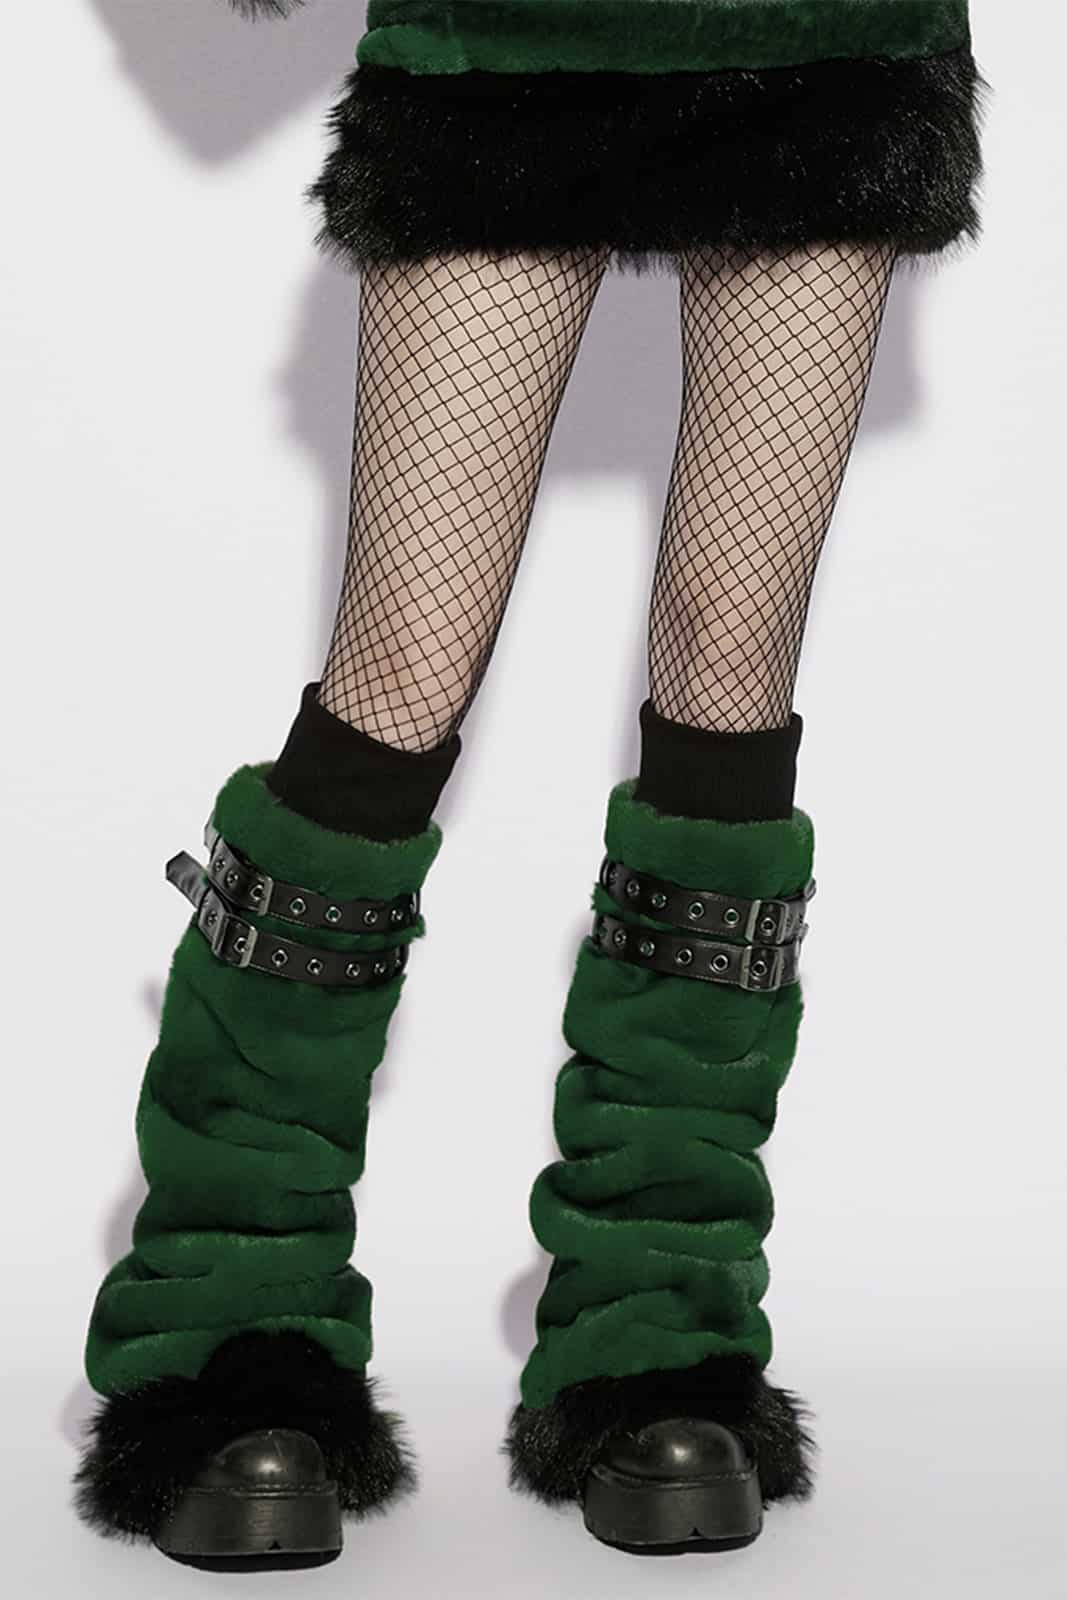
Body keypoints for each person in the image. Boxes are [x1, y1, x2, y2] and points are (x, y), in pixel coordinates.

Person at [76, 0, 984, 1565]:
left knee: (729, 677)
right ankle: (228, 1321)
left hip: (822, 30)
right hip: (506, 37)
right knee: (397, 676)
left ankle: (658, 1328)